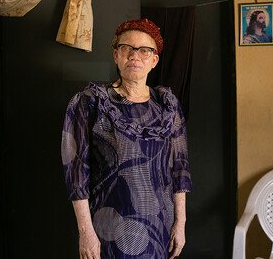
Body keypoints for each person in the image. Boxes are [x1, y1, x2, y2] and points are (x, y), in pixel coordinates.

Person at [61, 18, 193, 259]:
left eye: (144, 50)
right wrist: (85, 231)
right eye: (127, 48)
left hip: (158, 226)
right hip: (108, 225)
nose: (135, 56)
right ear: (116, 55)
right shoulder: (91, 101)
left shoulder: (167, 106)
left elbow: (179, 169)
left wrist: (180, 223)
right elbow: (76, 171)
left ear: (154, 60)